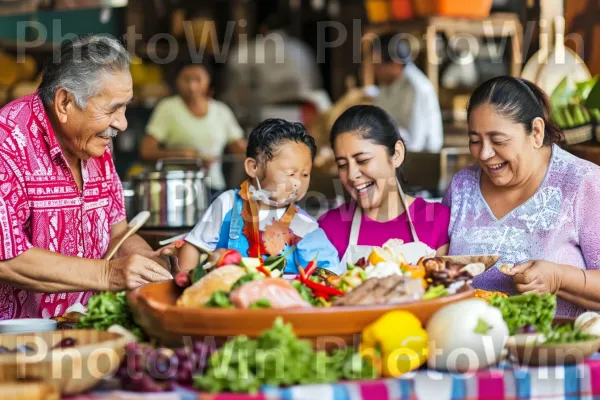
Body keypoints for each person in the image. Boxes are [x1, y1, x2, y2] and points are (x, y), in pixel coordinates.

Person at [0, 36, 172, 320]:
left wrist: (148, 263)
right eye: (112, 108)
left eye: (125, 106)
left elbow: (118, 233)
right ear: (65, 102)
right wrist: (108, 274)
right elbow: (6, 259)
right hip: (19, 347)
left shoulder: (96, 143)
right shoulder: (8, 143)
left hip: (87, 331)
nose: (122, 123)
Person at [443, 76, 600, 318]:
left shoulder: (583, 182)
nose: (484, 153)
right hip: (470, 346)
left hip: (558, 349)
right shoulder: (462, 186)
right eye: (475, 140)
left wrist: (559, 278)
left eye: (498, 141)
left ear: (536, 132)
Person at [178, 118, 341, 274]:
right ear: (253, 167)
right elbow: (194, 247)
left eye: (305, 175)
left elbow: (329, 269)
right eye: (289, 173)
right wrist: (186, 284)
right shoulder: (227, 204)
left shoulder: (303, 225)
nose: (298, 182)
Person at [319, 105, 450, 267]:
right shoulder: (328, 228)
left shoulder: (439, 221)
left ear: (397, 154)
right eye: (342, 165)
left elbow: (449, 288)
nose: (352, 175)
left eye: (363, 160)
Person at [139, 62, 246, 192]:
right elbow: (146, 151)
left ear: (208, 80)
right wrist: (182, 156)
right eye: (186, 79)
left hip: (214, 187)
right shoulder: (167, 108)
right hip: (177, 187)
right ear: (177, 81)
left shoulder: (221, 111)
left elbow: (239, 149)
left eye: (198, 79)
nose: (192, 86)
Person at [222, 12, 324, 120]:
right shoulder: (301, 49)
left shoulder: (246, 51)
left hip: (264, 114)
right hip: (300, 114)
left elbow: (236, 91)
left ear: (263, 29)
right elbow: (315, 84)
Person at [371, 34, 443, 153]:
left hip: (421, 158)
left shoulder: (417, 87)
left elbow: (415, 143)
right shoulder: (386, 86)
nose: (375, 70)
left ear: (396, 63)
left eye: (378, 65)